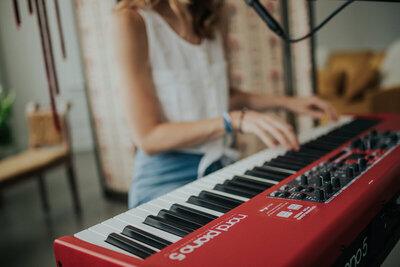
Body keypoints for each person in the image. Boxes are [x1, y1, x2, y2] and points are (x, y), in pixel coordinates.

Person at [112, 0, 338, 209]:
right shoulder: (132, 20)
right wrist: (233, 121)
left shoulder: (212, 17)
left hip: (219, 167)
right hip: (165, 178)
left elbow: (222, 98)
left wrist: (288, 102)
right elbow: (147, 137)